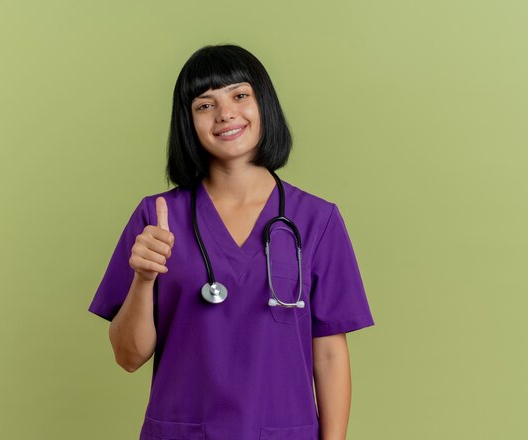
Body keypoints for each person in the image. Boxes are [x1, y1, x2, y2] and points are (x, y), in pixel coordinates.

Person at [88, 44, 375, 440]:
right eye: (205, 105)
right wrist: (143, 279)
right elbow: (128, 356)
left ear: (264, 105)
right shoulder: (156, 218)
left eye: (240, 95)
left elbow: (328, 353)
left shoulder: (317, 220)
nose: (225, 113)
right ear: (188, 122)